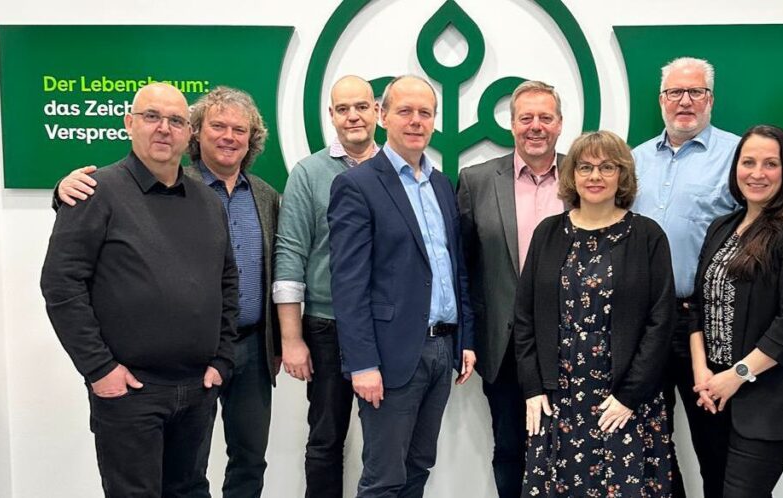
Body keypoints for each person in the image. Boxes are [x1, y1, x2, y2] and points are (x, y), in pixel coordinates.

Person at [55, 86, 281, 498]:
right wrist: (99, 369)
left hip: (198, 384)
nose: (164, 128)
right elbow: (61, 284)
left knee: (193, 488)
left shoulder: (211, 201)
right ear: (129, 123)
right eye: (152, 117)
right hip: (131, 389)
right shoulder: (96, 190)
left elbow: (228, 282)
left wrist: (221, 359)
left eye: (175, 120)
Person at [327, 75, 476, 497]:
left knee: (418, 467)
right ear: (383, 116)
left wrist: (465, 338)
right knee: (383, 479)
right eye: (405, 111)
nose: (415, 121)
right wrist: (362, 364)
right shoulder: (357, 185)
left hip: (441, 350)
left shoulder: (442, 184)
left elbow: (455, 267)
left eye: (425, 113)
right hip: (390, 356)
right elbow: (349, 284)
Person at [513, 130, 677, 497]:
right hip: (559, 396)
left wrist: (630, 395)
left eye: (607, 167)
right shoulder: (548, 233)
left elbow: (660, 321)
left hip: (623, 397)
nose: (595, 176)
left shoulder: (647, 235)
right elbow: (525, 316)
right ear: (572, 175)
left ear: (623, 175)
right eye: (585, 167)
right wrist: (533, 387)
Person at [688, 125, 783, 497]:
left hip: (768, 399)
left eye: (770, 164)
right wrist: (703, 372)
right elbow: (697, 306)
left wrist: (737, 375)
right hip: (713, 393)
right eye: (748, 162)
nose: (757, 173)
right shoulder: (722, 227)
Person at [631, 56, 740, 497]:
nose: (685, 101)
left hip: (707, 323)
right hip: (644, 322)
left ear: (711, 99)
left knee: (716, 442)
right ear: (661, 100)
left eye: (696, 91)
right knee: (650, 441)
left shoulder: (737, 156)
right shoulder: (635, 159)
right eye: (675, 92)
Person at [457, 80, 565, 498]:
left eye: (545, 117)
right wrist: (467, 339)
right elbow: (463, 269)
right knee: (509, 450)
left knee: (570, 449)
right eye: (526, 118)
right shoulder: (477, 180)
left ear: (560, 124)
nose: (535, 126)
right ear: (512, 124)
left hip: (572, 343)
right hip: (502, 346)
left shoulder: (585, 175)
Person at [274, 75, 380, 498]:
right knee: (325, 439)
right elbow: (290, 255)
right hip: (326, 327)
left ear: (377, 111)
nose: (353, 116)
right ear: (331, 115)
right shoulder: (308, 173)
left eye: (361, 106)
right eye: (343, 109)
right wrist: (291, 338)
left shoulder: (396, 169)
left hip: (384, 326)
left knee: (386, 441)